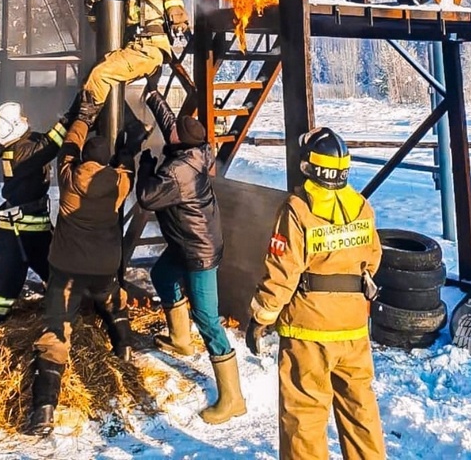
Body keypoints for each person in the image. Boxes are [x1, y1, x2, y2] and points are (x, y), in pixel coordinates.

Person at [246, 127, 385, 460]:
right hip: (353, 330)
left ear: (307, 165)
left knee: (303, 416)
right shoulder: (361, 207)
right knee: (360, 410)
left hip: (309, 333)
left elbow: (283, 272)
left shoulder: (297, 209)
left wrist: (261, 317)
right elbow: (373, 260)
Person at [136, 86, 246, 425]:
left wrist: (144, 166)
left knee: (208, 319)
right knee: (162, 276)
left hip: (198, 250)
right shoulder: (196, 150)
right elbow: (172, 123)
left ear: (180, 142)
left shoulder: (177, 172)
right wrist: (152, 93)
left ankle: (233, 397)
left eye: (174, 132)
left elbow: (147, 198)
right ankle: (181, 340)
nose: (171, 130)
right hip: (188, 241)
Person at [27, 99, 134, 436]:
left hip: (67, 269)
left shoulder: (69, 177)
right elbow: (127, 169)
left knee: (56, 331)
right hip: (104, 266)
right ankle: (124, 348)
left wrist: (83, 118)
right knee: (112, 299)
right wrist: (126, 154)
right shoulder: (119, 183)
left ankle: (44, 410)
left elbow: (69, 148)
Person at [0, 100, 75, 348]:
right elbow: (50, 145)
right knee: (5, 291)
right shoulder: (23, 153)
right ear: (15, 127)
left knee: (56, 274)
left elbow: (41, 141)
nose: (27, 118)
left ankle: (60, 319)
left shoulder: (18, 148)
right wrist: (73, 115)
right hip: (21, 235)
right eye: (22, 117)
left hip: (28, 231)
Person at [81, 0, 188, 110]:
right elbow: (98, 27)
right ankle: (136, 127)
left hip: (148, 48)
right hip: (138, 47)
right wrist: (92, 3)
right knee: (101, 87)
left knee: (100, 76)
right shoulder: (127, 0)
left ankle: (80, 124)